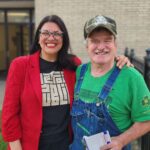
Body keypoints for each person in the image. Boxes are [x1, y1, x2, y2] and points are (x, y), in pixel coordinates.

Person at [2, 15, 132, 150]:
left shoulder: (73, 65)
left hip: (67, 145)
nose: (51, 37)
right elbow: (9, 114)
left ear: (64, 38)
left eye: (57, 33)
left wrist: (116, 59)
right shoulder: (20, 66)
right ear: (38, 37)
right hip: (30, 146)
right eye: (45, 32)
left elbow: (97, 70)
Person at [70, 15, 150, 150]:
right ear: (87, 46)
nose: (101, 47)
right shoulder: (80, 72)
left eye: (107, 40)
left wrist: (121, 140)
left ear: (115, 44)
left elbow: (147, 120)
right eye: (95, 41)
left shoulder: (131, 77)